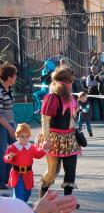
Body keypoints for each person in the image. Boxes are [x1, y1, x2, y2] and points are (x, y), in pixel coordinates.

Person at [38, 66, 81, 198]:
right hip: (54, 137)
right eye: (68, 82)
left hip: (69, 138)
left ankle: (67, 199)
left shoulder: (70, 97)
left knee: (70, 171)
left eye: (70, 82)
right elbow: (45, 119)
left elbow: (73, 117)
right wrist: (46, 139)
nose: (69, 84)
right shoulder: (52, 97)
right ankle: (42, 198)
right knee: (52, 172)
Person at [3, 123, 49, 202]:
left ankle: (20, 206)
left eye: (27, 136)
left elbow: (38, 155)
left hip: (28, 174)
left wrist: (44, 149)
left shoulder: (31, 147)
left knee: (27, 193)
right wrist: (9, 157)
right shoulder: (13, 147)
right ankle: (18, 209)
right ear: (17, 136)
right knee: (19, 196)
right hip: (16, 174)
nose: (25, 138)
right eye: (22, 136)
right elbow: (5, 158)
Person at [0, 61, 17, 191]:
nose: (16, 77)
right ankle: (1, 181)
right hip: (2, 125)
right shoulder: (0, 90)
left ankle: (8, 178)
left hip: (10, 123)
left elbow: (10, 109)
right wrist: (9, 127)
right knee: (2, 152)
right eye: (14, 75)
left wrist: (13, 125)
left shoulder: (10, 89)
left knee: (14, 150)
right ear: (9, 77)